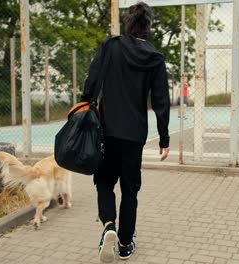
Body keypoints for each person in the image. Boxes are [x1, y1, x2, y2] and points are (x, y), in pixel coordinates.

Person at [80, 3, 170, 262]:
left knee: (105, 182)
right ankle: (124, 243)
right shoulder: (155, 58)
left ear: (128, 22)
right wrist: (164, 138)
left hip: (106, 131)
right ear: (148, 26)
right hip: (134, 135)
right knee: (130, 190)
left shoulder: (111, 46)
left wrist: (85, 106)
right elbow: (161, 101)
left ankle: (109, 225)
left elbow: (92, 80)